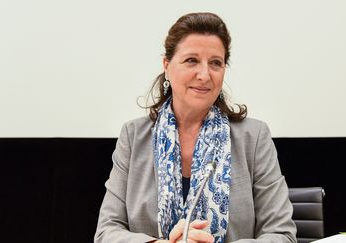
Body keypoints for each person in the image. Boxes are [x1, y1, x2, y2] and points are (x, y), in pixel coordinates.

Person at [95, 12, 297, 243]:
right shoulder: (133, 136)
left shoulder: (254, 137)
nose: (204, 74)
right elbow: (106, 232)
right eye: (191, 60)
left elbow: (283, 235)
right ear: (167, 66)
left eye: (215, 63)